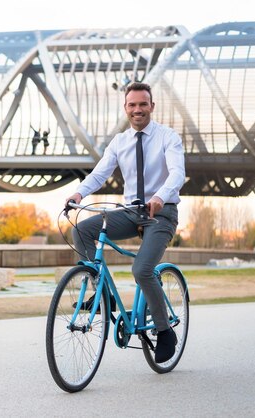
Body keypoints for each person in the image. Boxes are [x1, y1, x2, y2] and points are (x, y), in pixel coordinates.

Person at [65, 82, 185, 364]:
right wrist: (79, 193)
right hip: (132, 212)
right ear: (126, 109)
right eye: (132, 105)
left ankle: (165, 331)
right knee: (82, 229)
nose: (138, 110)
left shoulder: (168, 137)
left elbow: (177, 173)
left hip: (161, 212)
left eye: (143, 104)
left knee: (142, 270)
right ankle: (101, 297)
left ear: (152, 106)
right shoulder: (119, 142)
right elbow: (99, 173)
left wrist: (160, 196)